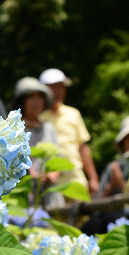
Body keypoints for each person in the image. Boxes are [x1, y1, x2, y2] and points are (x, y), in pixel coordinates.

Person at [38, 68, 99, 196]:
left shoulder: (73, 114)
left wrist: (93, 178)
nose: (58, 91)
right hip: (49, 183)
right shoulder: (38, 118)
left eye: (61, 87)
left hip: (76, 179)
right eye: (53, 87)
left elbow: (83, 148)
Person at [10, 77, 63, 208]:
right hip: (23, 193)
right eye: (31, 97)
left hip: (49, 194)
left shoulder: (48, 128)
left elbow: (60, 160)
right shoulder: (13, 128)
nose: (36, 102)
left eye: (40, 97)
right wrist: (29, 172)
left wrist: (53, 174)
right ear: (22, 101)